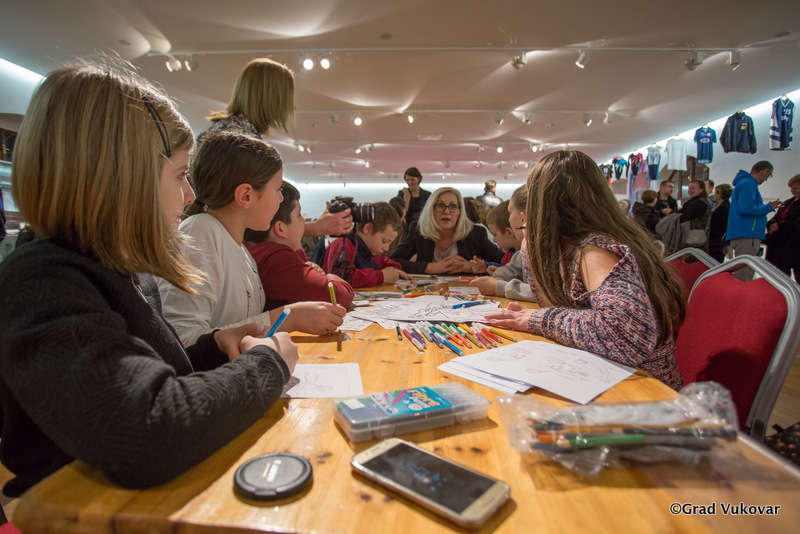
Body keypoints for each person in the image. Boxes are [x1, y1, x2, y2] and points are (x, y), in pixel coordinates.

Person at [0, 64, 298, 497]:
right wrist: (266, 364)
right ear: (122, 175)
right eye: (179, 176)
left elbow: (149, 370)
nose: (190, 195)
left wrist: (213, 346)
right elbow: (147, 429)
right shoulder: (43, 280)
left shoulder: (112, 268)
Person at [485, 151, 685, 390]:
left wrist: (540, 319)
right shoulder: (576, 245)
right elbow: (549, 302)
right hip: (613, 378)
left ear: (543, 205)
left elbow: (625, 335)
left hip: (643, 392)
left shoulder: (595, 250)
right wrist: (530, 250)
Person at [158, 131, 345, 347]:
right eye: (277, 189)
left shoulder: (240, 248)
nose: (281, 198)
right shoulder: (201, 232)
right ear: (245, 196)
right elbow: (180, 340)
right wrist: (288, 317)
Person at [197, 57, 352, 238]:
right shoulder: (240, 141)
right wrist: (316, 228)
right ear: (273, 98)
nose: (291, 106)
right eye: (287, 97)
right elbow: (246, 214)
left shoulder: (228, 132)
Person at [244, 181, 354, 309]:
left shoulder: (254, 250)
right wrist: (332, 277)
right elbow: (340, 296)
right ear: (280, 228)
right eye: (299, 215)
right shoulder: (278, 260)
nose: (303, 222)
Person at [390, 186, 503, 274]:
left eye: (453, 206)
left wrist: (478, 266)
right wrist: (432, 267)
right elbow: (394, 261)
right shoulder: (418, 230)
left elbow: (505, 262)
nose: (447, 211)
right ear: (431, 210)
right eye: (440, 205)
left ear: (460, 212)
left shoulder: (475, 233)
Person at [470, 186, 534, 302]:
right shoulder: (523, 252)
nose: (509, 220)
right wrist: (496, 277)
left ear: (523, 217)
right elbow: (509, 271)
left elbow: (541, 294)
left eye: (510, 213)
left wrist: (498, 287)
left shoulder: (547, 252)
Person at [323, 201, 410, 287]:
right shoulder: (343, 244)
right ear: (368, 229)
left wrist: (394, 270)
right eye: (384, 241)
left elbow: (385, 262)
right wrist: (381, 276)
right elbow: (341, 278)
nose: (386, 248)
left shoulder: (371, 252)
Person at [726, 161, 782, 281]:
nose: (766, 179)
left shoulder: (744, 183)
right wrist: (769, 207)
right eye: (769, 175)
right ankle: (740, 294)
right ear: (764, 172)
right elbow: (747, 208)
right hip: (747, 235)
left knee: (744, 272)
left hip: (744, 234)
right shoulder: (748, 184)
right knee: (744, 275)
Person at [765, 174, 800, 282]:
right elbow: (775, 217)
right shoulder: (788, 202)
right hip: (781, 246)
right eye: (792, 188)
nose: (793, 191)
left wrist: (778, 226)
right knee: (781, 276)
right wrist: (771, 224)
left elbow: (797, 223)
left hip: (795, 245)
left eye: (796, 188)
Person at [677, 179, 711, 249]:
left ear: (701, 189)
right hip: (699, 237)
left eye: (692, 188)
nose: (689, 191)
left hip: (694, 238)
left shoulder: (699, 203)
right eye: (689, 188)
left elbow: (683, 218)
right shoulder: (703, 201)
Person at [708, 184, 733, 263]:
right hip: (720, 241)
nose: (714, 195)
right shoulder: (728, 206)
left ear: (720, 194)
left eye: (716, 192)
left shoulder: (723, 208)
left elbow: (715, 226)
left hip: (716, 242)